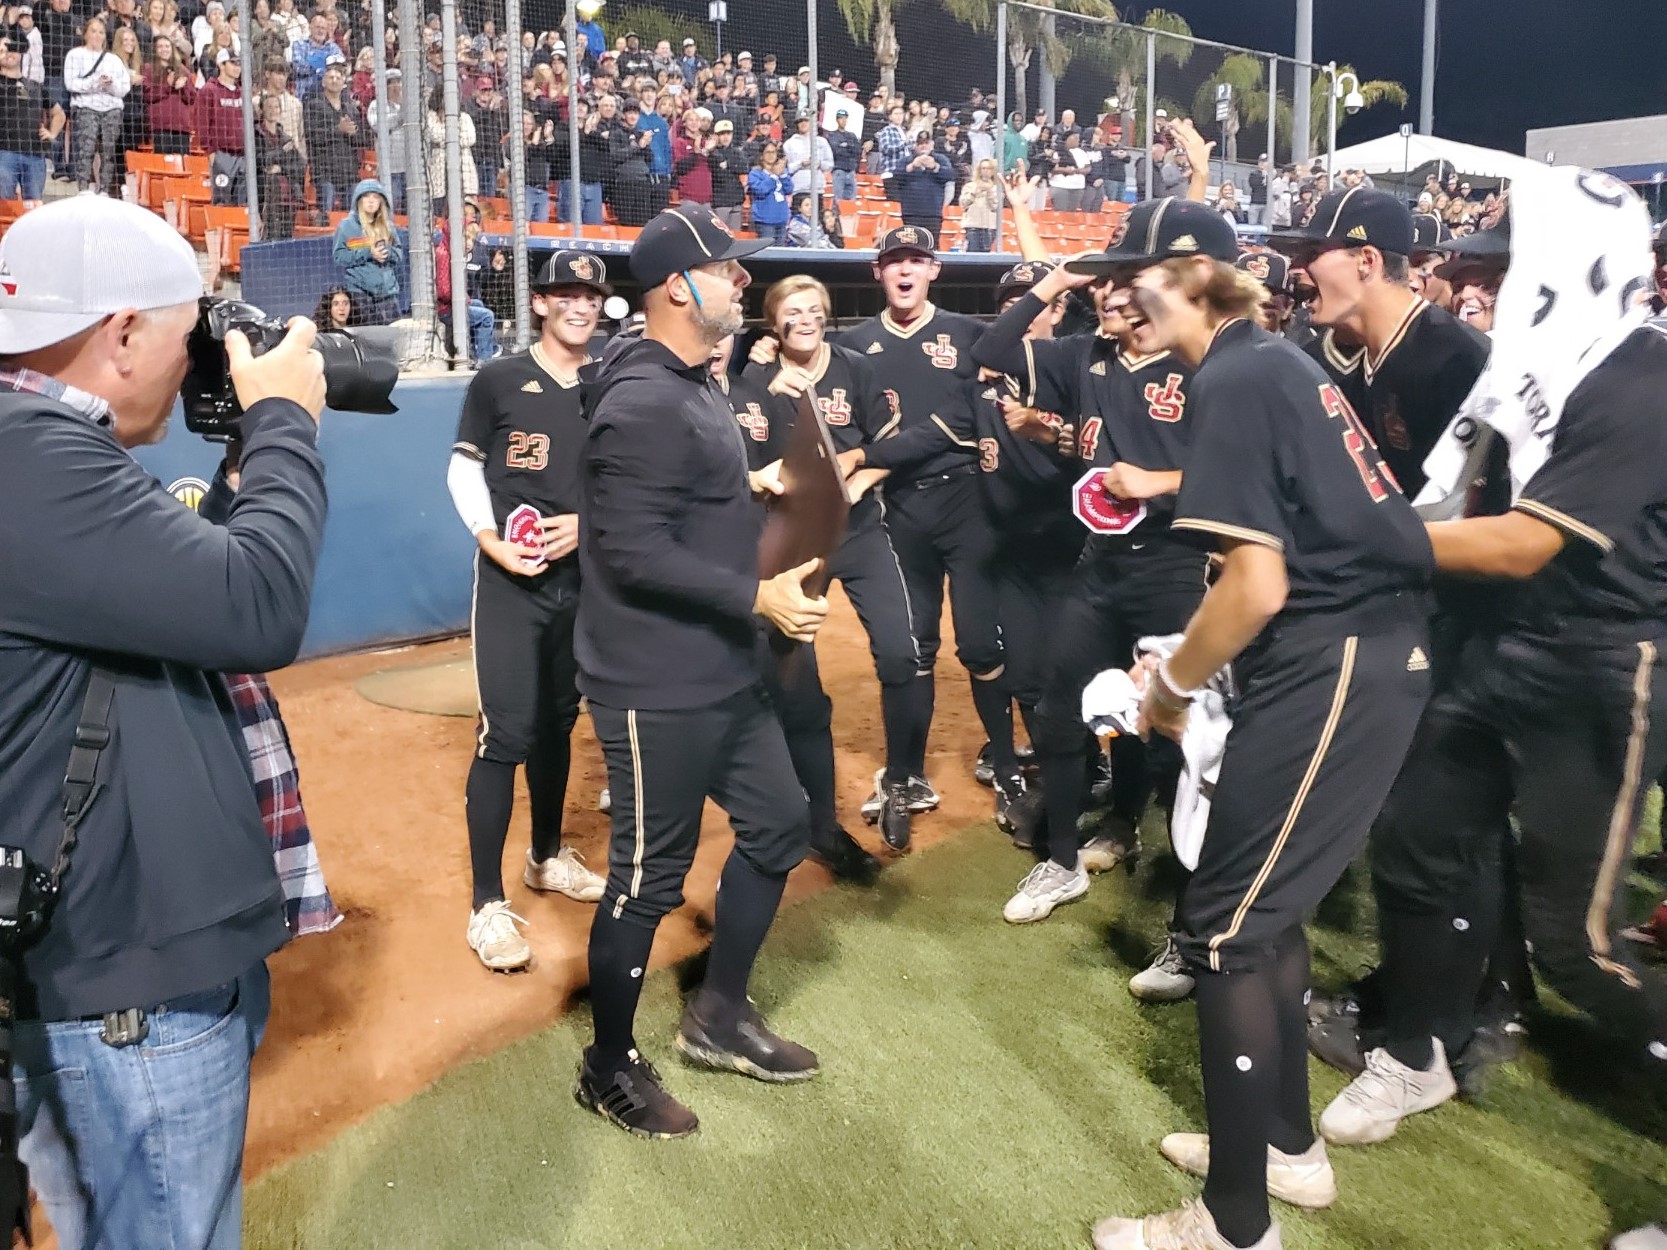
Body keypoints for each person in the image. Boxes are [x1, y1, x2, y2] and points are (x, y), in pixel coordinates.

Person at [1072, 198, 1432, 1250]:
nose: (1115, 294)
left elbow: (1258, 583)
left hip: (1335, 658)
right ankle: (1283, 1145)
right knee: (1253, 917)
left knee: (1223, 933)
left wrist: (1172, 684)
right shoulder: (1267, 362)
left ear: (1189, 276)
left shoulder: (1234, 372)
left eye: (1131, 275)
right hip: (1349, 654)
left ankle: (1231, 1225)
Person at [0, 193, 326, 1250]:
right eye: (191, 337)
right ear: (124, 332)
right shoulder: (31, 457)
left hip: (103, 965)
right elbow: (257, 607)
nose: (203, 365)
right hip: (123, 985)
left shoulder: (32, 450)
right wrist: (283, 420)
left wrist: (237, 474)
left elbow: (177, 610)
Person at [574, 205, 829, 1138]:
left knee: (777, 826)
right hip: (654, 680)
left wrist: (752, 494)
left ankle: (717, 1014)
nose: (741, 282)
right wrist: (753, 596)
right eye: (725, 269)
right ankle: (607, 1065)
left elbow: (680, 506)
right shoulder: (644, 396)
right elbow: (633, 550)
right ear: (677, 286)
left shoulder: (688, 380)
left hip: (719, 668)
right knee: (646, 880)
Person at [969, 212, 1207, 930]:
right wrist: (1055, 281)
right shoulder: (1082, 358)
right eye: (1101, 284)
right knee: (1056, 708)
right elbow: (989, 347)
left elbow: (1244, 473)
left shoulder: (1200, 361)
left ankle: (1186, 905)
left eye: (1121, 283)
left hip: (1179, 567)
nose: (1107, 295)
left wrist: (1159, 482)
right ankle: (1063, 859)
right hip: (1100, 565)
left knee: (1180, 735)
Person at [445, 250, 611, 971]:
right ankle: (486, 905)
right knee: (504, 733)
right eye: (566, 293)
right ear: (540, 303)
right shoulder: (499, 378)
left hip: (585, 580)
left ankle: (545, 857)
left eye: (591, 295)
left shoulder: (613, 383)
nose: (580, 305)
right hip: (513, 580)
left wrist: (589, 526)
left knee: (559, 722)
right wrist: (490, 541)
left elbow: (629, 480)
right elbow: (462, 467)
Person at [837, 226, 1006, 843]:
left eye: (916, 260)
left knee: (982, 644)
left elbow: (960, 422)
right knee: (914, 645)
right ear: (877, 273)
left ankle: (1006, 761)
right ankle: (904, 775)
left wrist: (868, 458)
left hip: (967, 501)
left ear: (934, 269)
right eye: (893, 262)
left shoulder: (969, 334)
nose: (904, 271)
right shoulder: (853, 345)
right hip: (896, 509)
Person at [64, 15, 128, 195]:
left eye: (101, 32)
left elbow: (124, 88)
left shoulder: (114, 59)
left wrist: (110, 85)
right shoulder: (74, 55)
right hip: (86, 107)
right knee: (87, 147)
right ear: (85, 34)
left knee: (109, 150)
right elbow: (71, 84)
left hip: (112, 108)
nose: (97, 35)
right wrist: (94, 83)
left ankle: (105, 189)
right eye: (93, 31)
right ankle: (83, 187)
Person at [331, 178, 403, 324]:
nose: (371, 201)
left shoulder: (388, 226)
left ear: (381, 201)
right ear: (358, 200)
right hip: (360, 295)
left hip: (388, 294)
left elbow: (399, 254)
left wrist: (387, 252)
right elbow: (339, 256)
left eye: (375, 197)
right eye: (366, 196)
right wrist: (369, 253)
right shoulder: (346, 226)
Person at [0, 33, 59, 205]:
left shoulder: (35, 86)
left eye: (12, 48)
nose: (9, 53)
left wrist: (52, 132)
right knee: (4, 209)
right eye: (2, 50)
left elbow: (59, 114)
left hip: (34, 155)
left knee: (34, 211)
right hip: (4, 153)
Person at [303, 54, 357, 214]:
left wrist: (353, 132)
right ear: (323, 82)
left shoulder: (350, 108)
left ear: (343, 83)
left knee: (353, 216)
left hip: (348, 172)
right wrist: (338, 130)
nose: (334, 80)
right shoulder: (314, 106)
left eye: (338, 77)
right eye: (330, 77)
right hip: (324, 171)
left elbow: (362, 138)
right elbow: (312, 136)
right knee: (326, 215)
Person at [194, 46, 245, 204]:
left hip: (243, 156)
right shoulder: (209, 91)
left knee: (242, 201)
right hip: (221, 155)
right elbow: (202, 123)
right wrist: (211, 152)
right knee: (222, 199)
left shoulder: (242, 92)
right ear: (221, 65)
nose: (238, 67)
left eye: (239, 64)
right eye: (233, 63)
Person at [888, 131, 952, 238]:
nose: (923, 146)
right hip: (911, 212)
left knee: (932, 246)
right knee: (911, 245)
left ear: (932, 144)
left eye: (926, 143)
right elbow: (896, 177)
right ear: (915, 146)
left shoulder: (941, 159)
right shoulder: (906, 160)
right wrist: (912, 166)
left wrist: (935, 167)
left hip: (933, 213)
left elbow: (950, 175)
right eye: (920, 143)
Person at [140, 33, 192, 154]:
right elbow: (147, 96)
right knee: (162, 163)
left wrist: (183, 87)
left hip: (181, 126)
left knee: (182, 164)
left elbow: (191, 98)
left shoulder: (182, 69)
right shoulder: (148, 68)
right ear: (155, 50)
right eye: (160, 46)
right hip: (160, 126)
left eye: (167, 46)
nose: (164, 49)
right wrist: (167, 86)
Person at [364, 68, 403, 211]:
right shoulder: (376, 105)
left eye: (399, 82)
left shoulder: (409, 105)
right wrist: (402, 114)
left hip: (410, 168)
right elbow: (379, 126)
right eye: (391, 83)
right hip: (390, 168)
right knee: (391, 206)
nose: (396, 86)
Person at [746, 142, 788, 245]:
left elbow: (789, 189)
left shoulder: (781, 172)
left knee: (781, 252)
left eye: (773, 152)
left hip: (781, 219)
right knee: (768, 252)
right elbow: (761, 190)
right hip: (765, 221)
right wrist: (773, 175)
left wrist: (782, 175)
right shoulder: (755, 174)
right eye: (768, 152)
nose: (771, 155)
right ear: (761, 156)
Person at [959, 156, 1000, 253]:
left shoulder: (997, 188)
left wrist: (989, 192)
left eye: (989, 168)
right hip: (973, 225)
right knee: (972, 252)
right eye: (983, 168)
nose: (986, 171)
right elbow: (963, 204)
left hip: (990, 227)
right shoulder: (969, 186)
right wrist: (975, 192)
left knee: (986, 254)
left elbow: (995, 206)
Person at [826, 107, 859, 202]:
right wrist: (849, 147)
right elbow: (835, 151)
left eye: (845, 118)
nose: (843, 120)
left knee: (851, 201)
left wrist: (846, 146)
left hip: (851, 171)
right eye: (841, 118)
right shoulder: (832, 135)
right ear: (837, 120)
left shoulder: (852, 135)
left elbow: (857, 150)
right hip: (838, 170)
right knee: (838, 200)